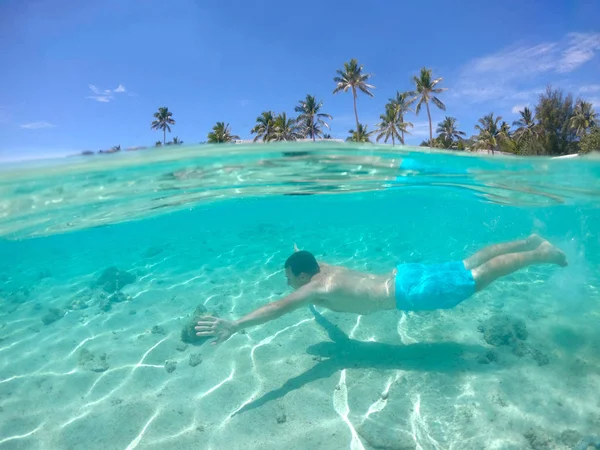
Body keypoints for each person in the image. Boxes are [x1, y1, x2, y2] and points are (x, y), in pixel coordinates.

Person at [195, 235, 567, 344]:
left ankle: (540, 254)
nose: (287, 282)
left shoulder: (313, 288)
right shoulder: (322, 267)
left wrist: (234, 324)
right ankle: (529, 239)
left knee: (477, 279)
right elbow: (306, 258)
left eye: (288, 276)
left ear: (300, 276)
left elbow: (276, 308)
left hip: (409, 293)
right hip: (404, 274)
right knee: (466, 263)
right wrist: (297, 253)